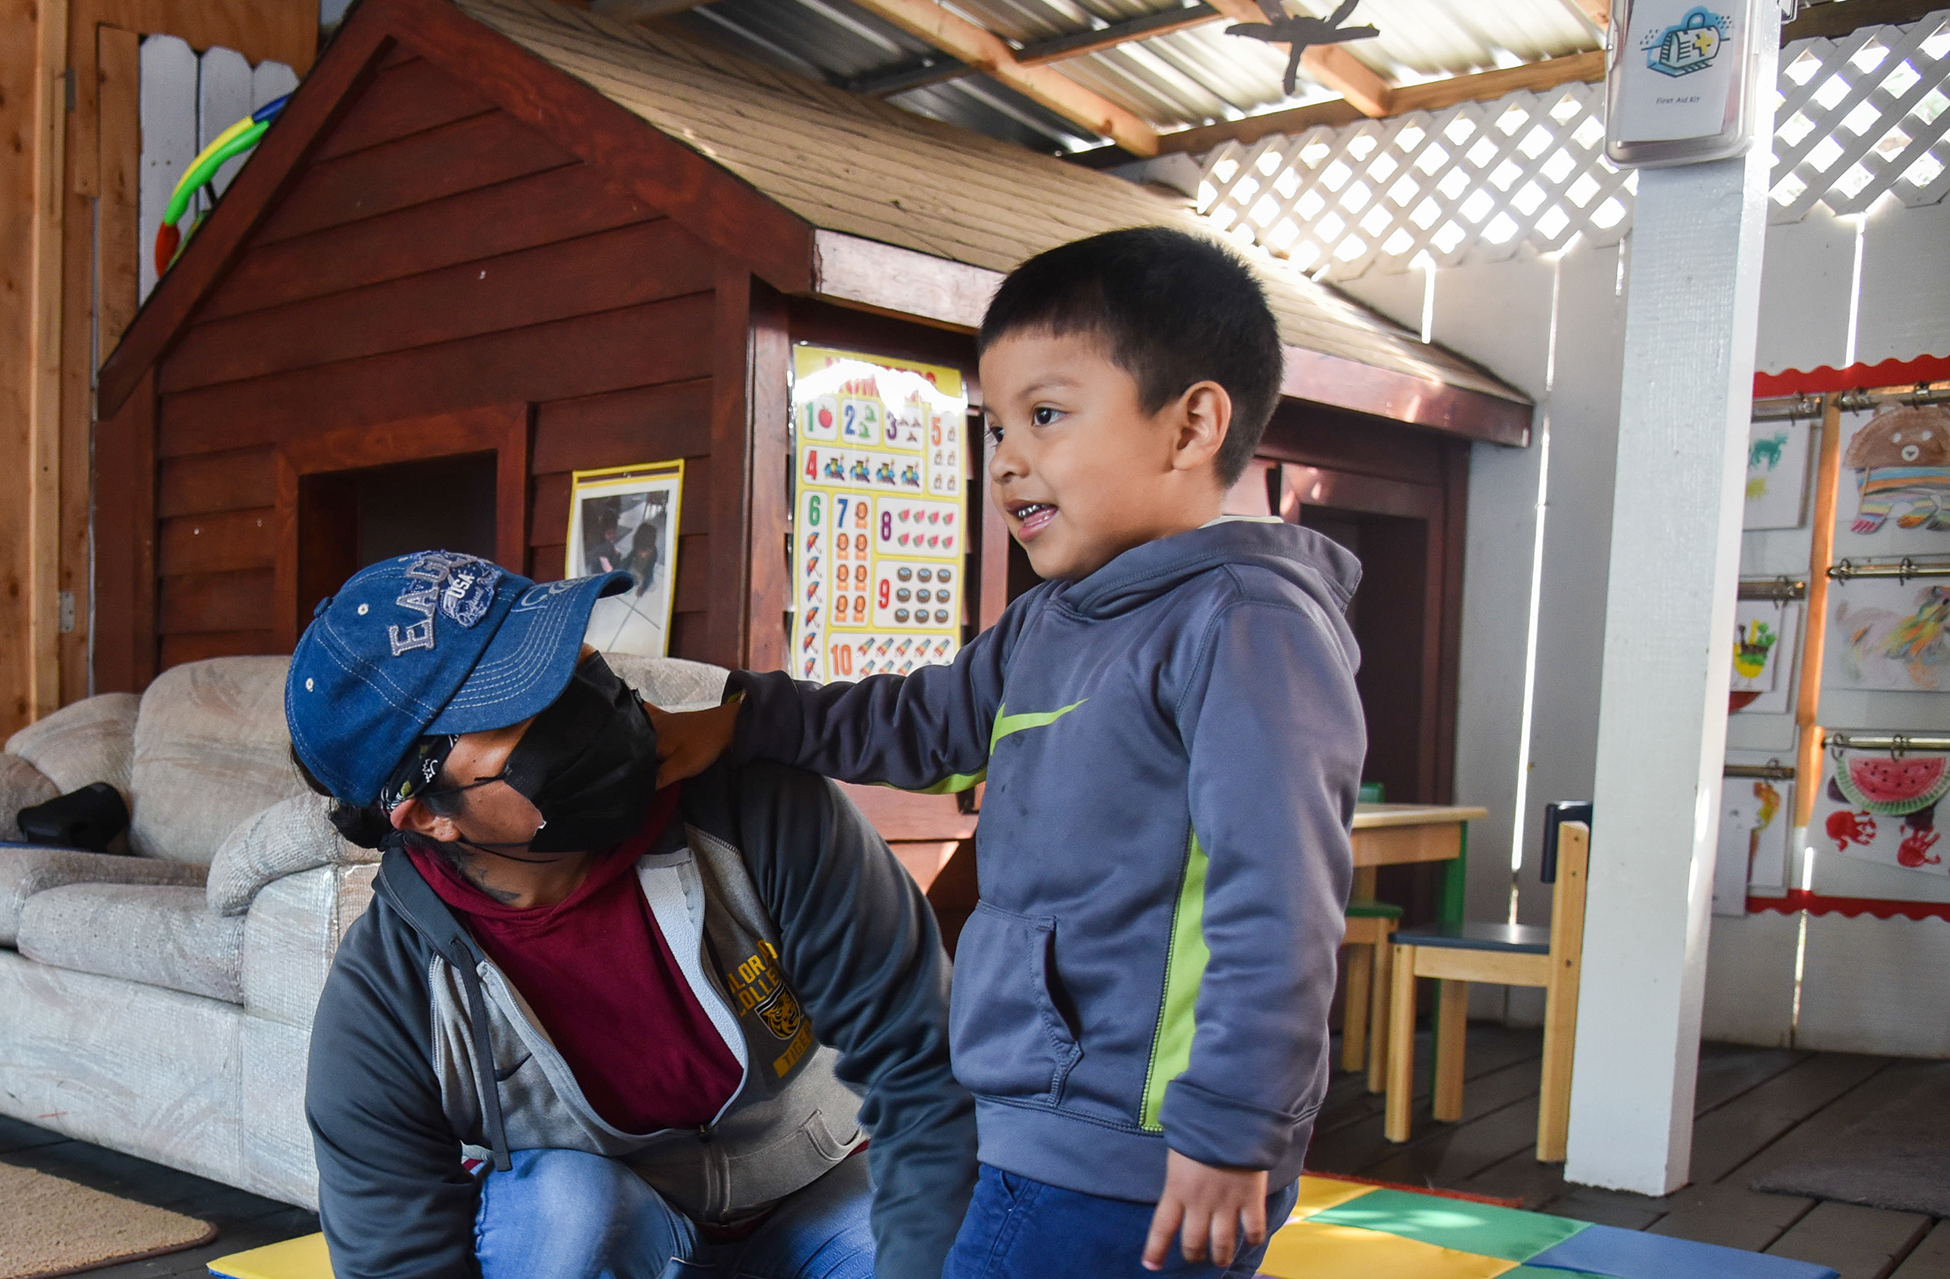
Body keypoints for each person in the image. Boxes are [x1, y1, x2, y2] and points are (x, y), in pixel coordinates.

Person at [655, 227, 1365, 1277]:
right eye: (994, 427)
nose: (1009, 459)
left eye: (1047, 414)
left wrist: (1230, 1126)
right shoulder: (1051, 627)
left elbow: (1282, 899)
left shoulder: (1243, 622)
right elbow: (911, 722)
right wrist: (746, 713)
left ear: (1193, 425)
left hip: (1147, 1143)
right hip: (1038, 1113)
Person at [290, 551, 975, 1279]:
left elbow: (924, 1077)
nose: (583, 701)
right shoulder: (391, 994)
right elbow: (399, 1262)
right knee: (569, 1215)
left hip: (821, 1200)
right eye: (520, 703)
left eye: (564, 655)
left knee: (931, 1244)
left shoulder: (759, 813)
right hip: (628, 1241)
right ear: (426, 811)